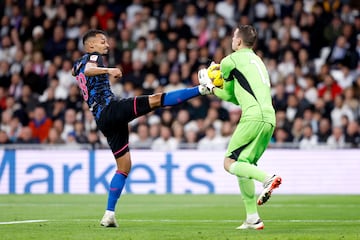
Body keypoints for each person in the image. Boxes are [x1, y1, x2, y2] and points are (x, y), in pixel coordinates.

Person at [71, 29, 211, 228]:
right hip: (111, 109)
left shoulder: (78, 63)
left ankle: (109, 214)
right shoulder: (94, 57)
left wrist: (87, 69)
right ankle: (201, 89)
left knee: (124, 167)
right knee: (156, 100)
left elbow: (77, 71)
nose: (107, 45)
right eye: (103, 41)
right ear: (90, 45)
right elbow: (89, 70)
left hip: (102, 120)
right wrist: (109, 70)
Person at [198, 25, 282, 230]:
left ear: (238, 41)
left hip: (253, 117)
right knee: (243, 164)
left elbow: (227, 96)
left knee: (229, 162)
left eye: (233, 37)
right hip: (269, 118)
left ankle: (268, 179)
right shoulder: (258, 62)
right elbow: (238, 97)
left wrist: (210, 87)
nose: (231, 40)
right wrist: (213, 88)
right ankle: (252, 217)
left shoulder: (229, 61)